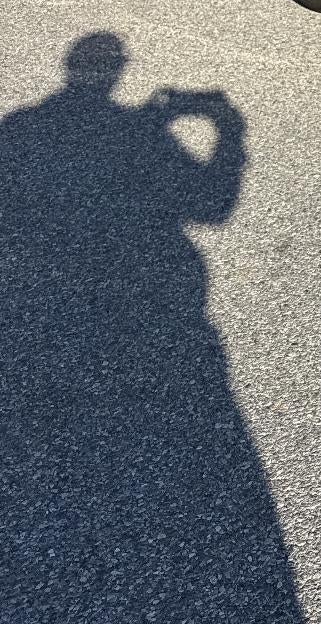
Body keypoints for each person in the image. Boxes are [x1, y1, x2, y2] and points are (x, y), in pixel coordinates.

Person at [0, 33, 302, 621]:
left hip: (47, 329)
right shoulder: (144, 132)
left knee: (54, 454)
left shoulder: (14, 129)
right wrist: (228, 127)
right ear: (115, 71)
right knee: (199, 450)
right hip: (170, 307)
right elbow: (214, 205)